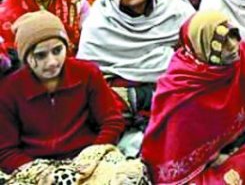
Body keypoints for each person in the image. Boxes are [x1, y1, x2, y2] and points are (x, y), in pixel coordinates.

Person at [0, 11, 147, 182]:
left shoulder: (86, 73)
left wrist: (91, 157)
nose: (52, 62)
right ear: (25, 57)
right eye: (40, 55)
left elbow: (111, 121)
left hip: (88, 158)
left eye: (57, 50)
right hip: (36, 168)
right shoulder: (10, 90)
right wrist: (44, 174)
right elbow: (6, 150)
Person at [141, 11, 245, 185]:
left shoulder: (242, 53)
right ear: (203, 47)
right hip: (207, 165)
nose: (234, 46)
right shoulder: (180, 92)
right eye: (222, 44)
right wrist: (216, 157)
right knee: (234, 176)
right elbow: (178, 153)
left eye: (234, 36)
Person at [77, 0, 194, 124]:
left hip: (176, 83)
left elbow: (196, 46)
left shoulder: (173, 6)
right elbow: (90, 74)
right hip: (127, 91)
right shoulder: (100, 21)